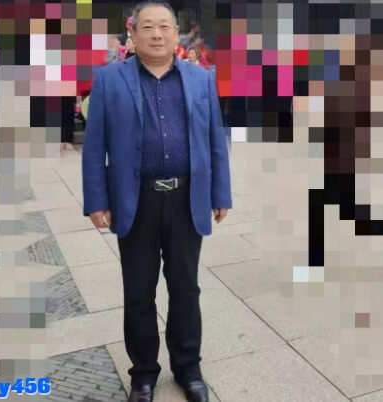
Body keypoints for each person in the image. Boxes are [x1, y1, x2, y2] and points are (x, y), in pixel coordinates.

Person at [82, 2, 232, 402]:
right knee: (138, 292)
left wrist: (221, 192)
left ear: (176, 33)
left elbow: (215, 140)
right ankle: (144, 374)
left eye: (164, 26)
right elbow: (94, 147)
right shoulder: (109, 79)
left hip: (186, 199)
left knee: (186, 288)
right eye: (147, 26)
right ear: (132, 34)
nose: (156, 33)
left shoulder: (200, 79)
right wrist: (96, 199)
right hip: (136, 201)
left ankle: (189, 368)